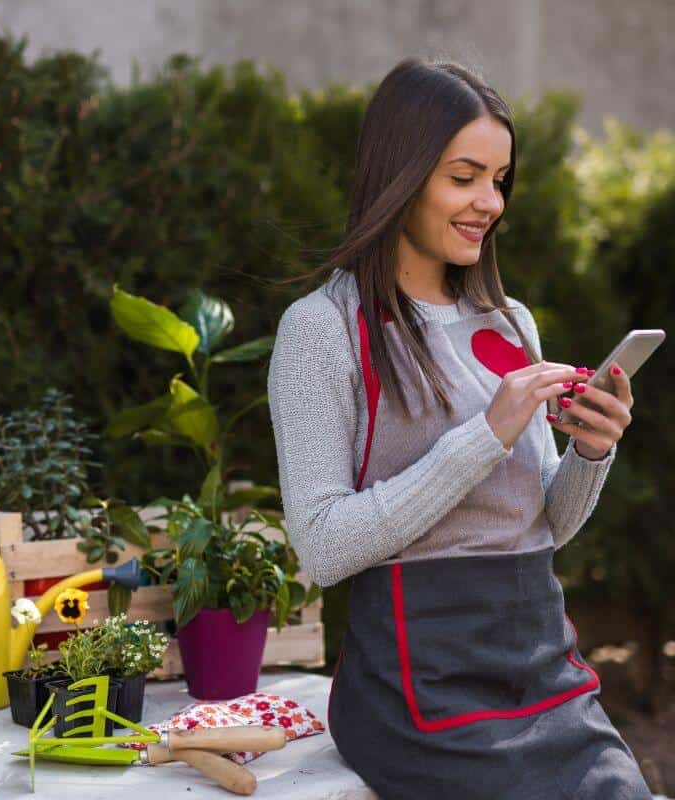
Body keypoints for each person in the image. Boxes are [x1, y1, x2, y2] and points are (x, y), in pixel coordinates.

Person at [266, 58, 651, 799]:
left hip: (540, 667)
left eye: (500, 180)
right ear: (401, 176)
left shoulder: (511, 323)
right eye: (464, 176)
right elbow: (320, 546)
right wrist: (487, 435)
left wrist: (590, 451)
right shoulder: (322, 330)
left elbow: (540, 526)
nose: (489, 202)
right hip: (416, 689)